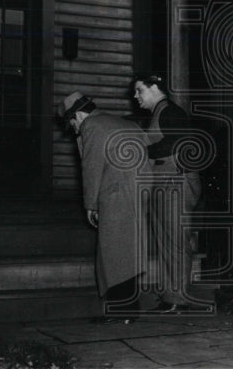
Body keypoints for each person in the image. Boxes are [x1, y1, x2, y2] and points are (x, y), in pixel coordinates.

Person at [60, 91, 147, 320]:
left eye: (72, 124)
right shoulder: (123, 122)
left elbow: (92, 168)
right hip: (138, 194)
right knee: (127, 254)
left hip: (115, 196)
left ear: (77, 115)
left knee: (113, 256)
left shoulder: (91, 125)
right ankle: (128, 310)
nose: (74, 130)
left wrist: (91, 204)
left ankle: (121, 313)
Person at [132, 72, 204, 314]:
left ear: (154, 88)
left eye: (139, 90)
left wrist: (141, 150)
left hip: (175, 185)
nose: (136, 96)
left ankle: (177, 299)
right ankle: (170, 296)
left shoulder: (171, 112)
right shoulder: (161, 113)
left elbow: (176, 143)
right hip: (166, 184)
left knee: (175, 242)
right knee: (166, 242)